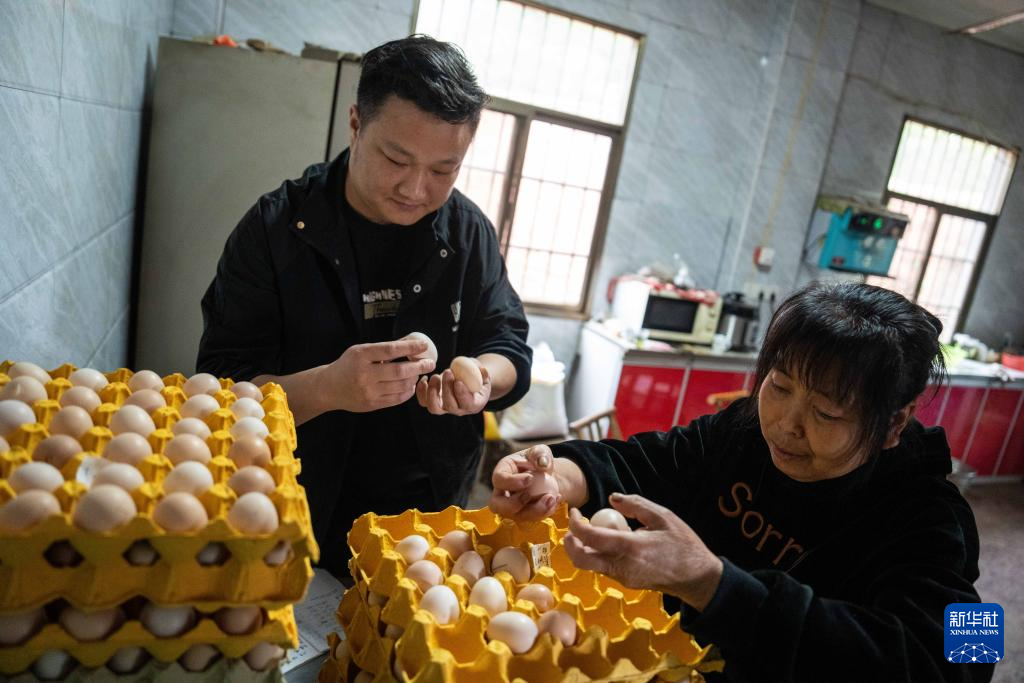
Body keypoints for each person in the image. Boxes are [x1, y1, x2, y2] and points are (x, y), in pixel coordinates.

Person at [490, 281, 993, 683]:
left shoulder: (937, 519)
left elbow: (971, 662)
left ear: (894, 423)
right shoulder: (745, 431)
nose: (786, 425)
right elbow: (653, 460)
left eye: (826, 413)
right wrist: (560, 473)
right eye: (780, 386)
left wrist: (713, 585)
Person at [198, 35, 532, 577]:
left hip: (425, 515)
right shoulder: (275, 229)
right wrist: (328, 387)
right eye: (397, 159)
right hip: (293, 502)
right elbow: (218, 387)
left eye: (444, 169)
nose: (416, 189)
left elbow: (508, 343)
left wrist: (481, 379)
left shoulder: (468, 232)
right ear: (355, 123)